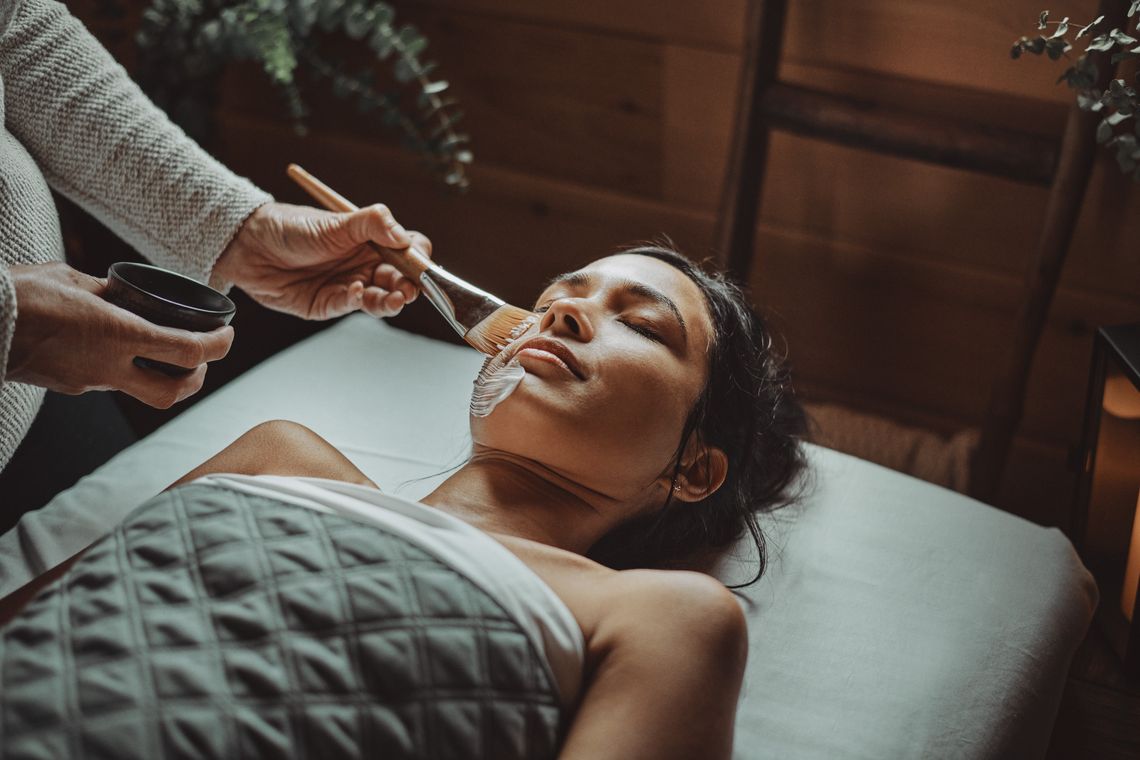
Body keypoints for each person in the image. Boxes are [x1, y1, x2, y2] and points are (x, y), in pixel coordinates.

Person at [156, 244, 811, 757]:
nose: (561, 313)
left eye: (639, 325)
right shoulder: (278, 459)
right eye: (550, 300)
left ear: (691, 470)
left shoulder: (656, 619)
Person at [0, 0, 428, 515]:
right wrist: (10, 324)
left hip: (34, 390)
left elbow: (17, 29)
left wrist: (239, 230)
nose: (555, 313)